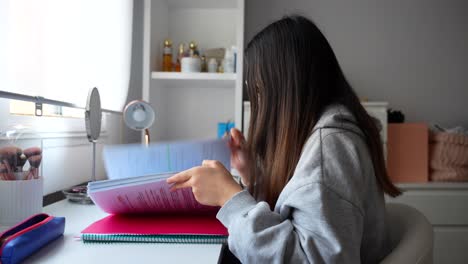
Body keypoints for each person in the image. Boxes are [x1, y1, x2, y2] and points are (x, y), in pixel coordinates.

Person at [167, 15, 401, 263]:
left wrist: (230, 198)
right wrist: (252, 174)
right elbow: (300, 212)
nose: (258, 99)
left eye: (257, 89)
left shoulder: (330, 148)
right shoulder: (328, 135)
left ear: (283, 87)